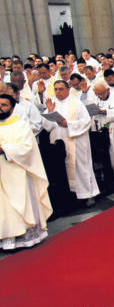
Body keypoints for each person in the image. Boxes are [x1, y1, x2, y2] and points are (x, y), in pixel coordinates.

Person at [0, 93, 50, 249]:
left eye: (4, 105)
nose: (0, 109)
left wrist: (4, 149)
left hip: (18, 172)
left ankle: (25, 238)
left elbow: (27, 148)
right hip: (2, 174)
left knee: (19, 206)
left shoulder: (21, 125)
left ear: (13, 107)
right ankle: (6, 239)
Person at [42, 79, 99, 205]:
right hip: (59, 142)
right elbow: (46, 126)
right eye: (55, 89)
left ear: (68, 90)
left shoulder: (77, 103)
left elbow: (86, 122)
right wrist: (50, 111)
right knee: (63, 169)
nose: (57, 92)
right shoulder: (52, 103)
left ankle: (88, 194)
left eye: (61, 89)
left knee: (81, 168)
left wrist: (68, 123)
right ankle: (70, 196)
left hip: (77, 141)